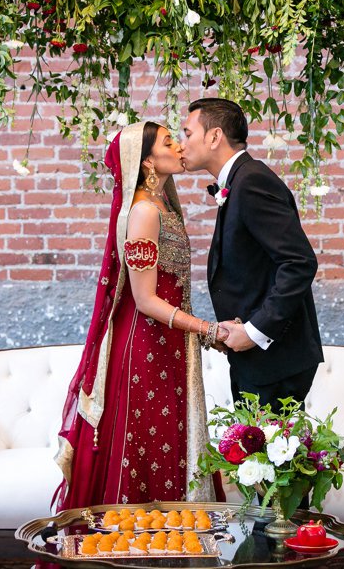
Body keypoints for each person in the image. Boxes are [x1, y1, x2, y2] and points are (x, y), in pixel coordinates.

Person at [53, 121, 224, 510]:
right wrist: (205, 329)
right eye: (168, 141)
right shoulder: (144, 212)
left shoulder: (164, 206)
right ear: (147, 160)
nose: (179, 146)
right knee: (150, 440)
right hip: (145, 346)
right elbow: (144, 299)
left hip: (169, 340)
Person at [181, 98, 323, 413]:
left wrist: (255, 331)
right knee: (250, 458)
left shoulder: (252, 181)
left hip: (275, 361)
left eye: (187, 134)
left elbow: (299, 262)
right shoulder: (240, 180)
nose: (182, 144)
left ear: (214, 137)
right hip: (257, 358)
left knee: (265, 459)